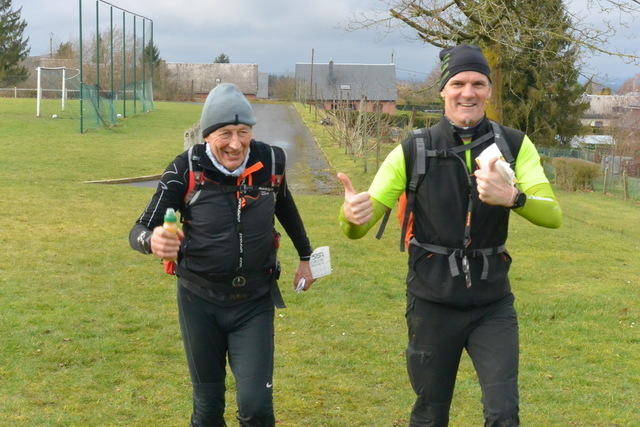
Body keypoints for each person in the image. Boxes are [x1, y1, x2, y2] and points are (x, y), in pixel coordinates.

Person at [337, 45, 562, 426]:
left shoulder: (514, 144)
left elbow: (552, 215)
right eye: (458, 83)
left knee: (504, 413)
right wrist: (351, 217)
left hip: (492, 304)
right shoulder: (414, 149)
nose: (467, 93)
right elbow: (359, 226)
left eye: (478, 83)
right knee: (430, 412)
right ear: (443, 90)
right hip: (432, 303)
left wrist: (513, 198)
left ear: (489, 90)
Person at [129, 83, 316, 426]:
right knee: (208, 409)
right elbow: (139, 229)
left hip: (254, 300)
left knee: (256, 407)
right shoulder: (185, 168)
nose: (235, 144)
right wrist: (151, 241)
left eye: (243, 132)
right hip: (199, 300)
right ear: (207, 135)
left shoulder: (271, 161)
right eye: (225, 133)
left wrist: (306, 257)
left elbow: (286, 207)